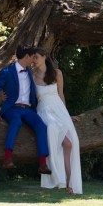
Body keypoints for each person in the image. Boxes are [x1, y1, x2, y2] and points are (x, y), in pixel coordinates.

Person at [0, 45, 51, 174]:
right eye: (33, 57)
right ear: (27, 56)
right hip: (11, 109)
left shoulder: (30, 73)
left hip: (28, 109)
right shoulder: (6, 71)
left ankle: (43, 164)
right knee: (16, 121)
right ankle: (7, 158)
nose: (33, 60)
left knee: (41, 125)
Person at [33, 52, 83, 194]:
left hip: (59, 110)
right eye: (33, 58)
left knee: (70, 144)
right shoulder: (32, 76)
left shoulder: (57, 73)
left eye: (36, 57)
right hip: (44, 111)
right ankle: (58, 177)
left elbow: (61, 94)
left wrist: (66, 114)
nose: (34, 60)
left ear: (44, 57)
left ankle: (69, 182)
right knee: (56, 133)